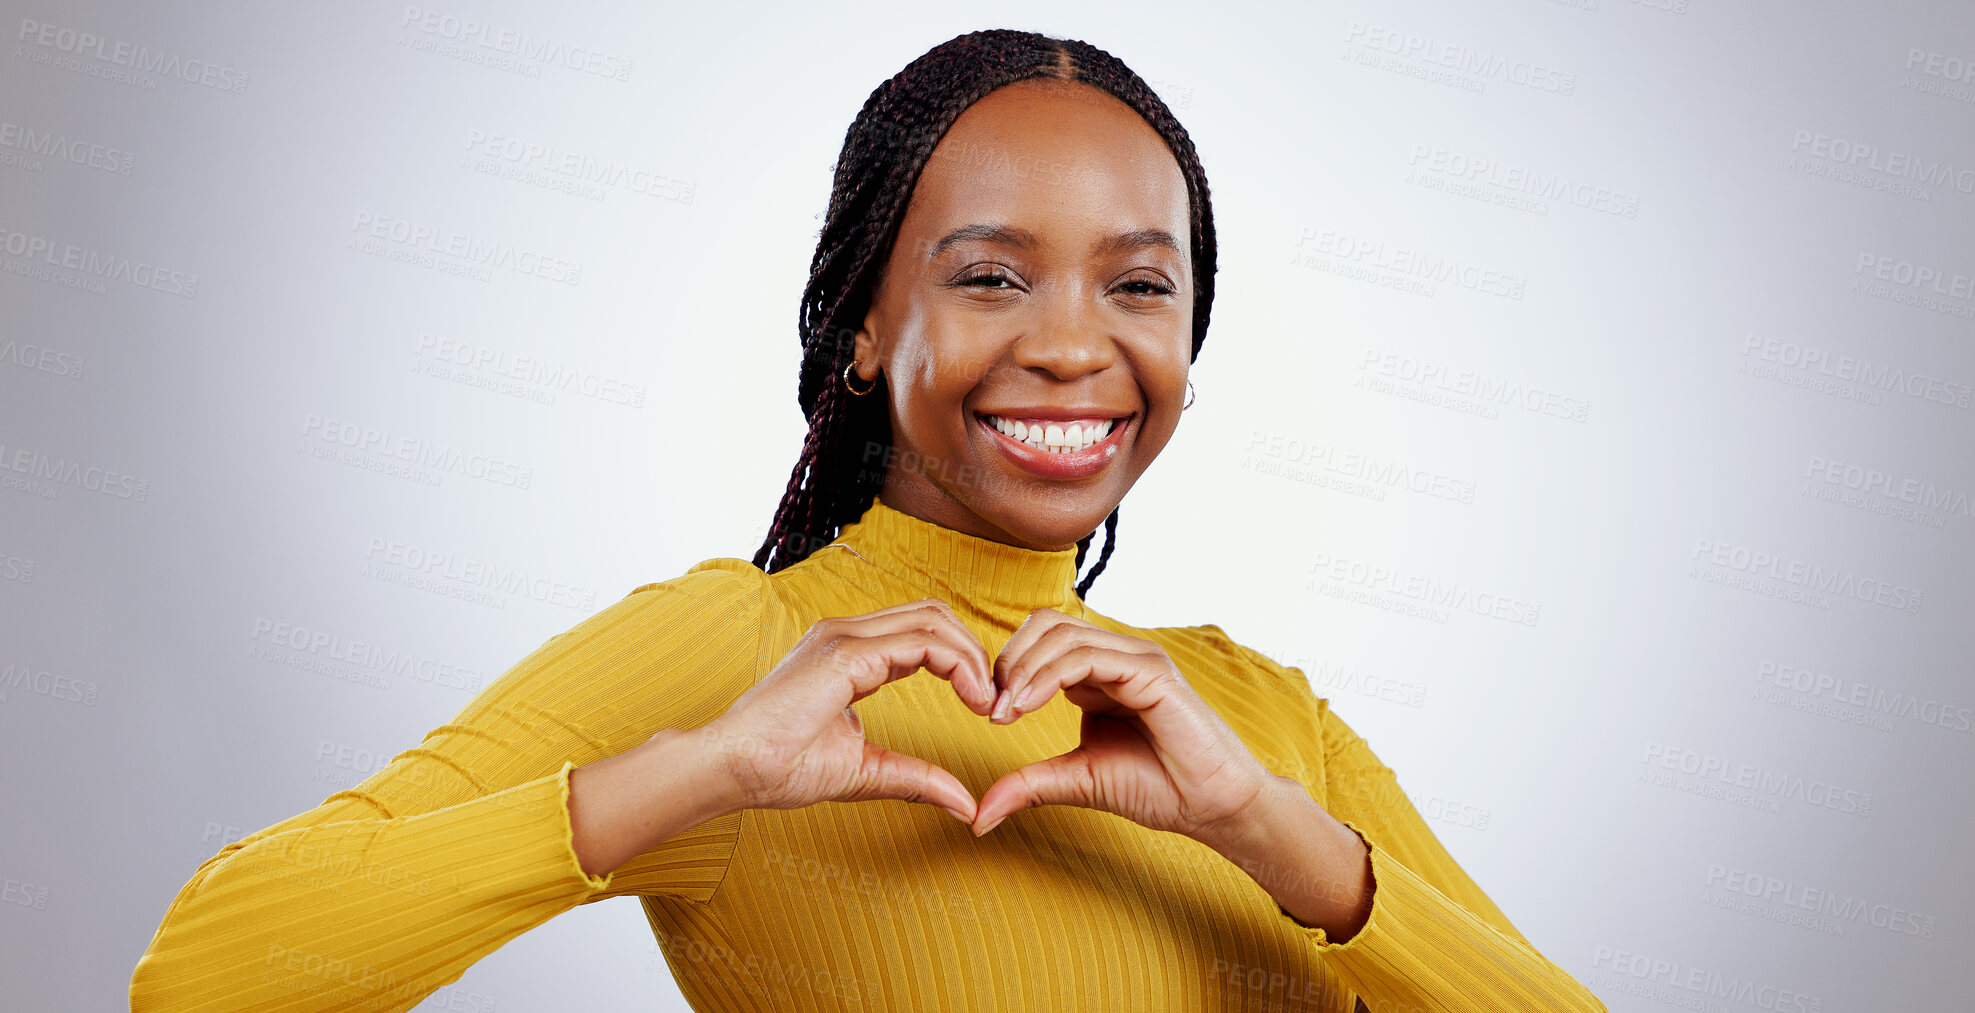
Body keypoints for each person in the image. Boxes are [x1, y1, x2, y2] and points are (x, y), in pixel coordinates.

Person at [130, 28, 1608, 1013]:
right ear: (862, 327)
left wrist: (1269, 833)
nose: (1073, 345)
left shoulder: (1257, 716)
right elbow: (201, 974)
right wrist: (694, 774)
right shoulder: (747, 654)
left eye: (1139, 285)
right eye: (990, 275)